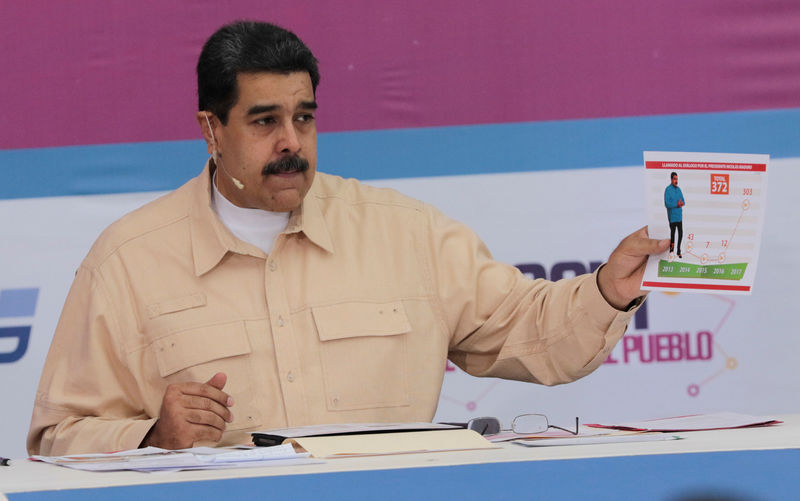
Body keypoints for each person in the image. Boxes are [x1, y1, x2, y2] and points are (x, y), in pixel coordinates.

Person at [28, 21, 669, 455]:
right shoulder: (128, 260)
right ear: (211, 128)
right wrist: (150, 438)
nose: (291, 142)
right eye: (264, 121)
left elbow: (530, 332)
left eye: (304, 118)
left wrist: (608, 292)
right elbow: (58, 436)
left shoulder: (405, 232)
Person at [664, 172, 686, 258]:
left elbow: (683, 201)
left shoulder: (679, 189)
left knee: (681, 234)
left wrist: (681, 203)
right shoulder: (668, 190)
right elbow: (667, 204)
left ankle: (678, 251)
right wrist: (676, 204)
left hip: (679, 217)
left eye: (677, 179)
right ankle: (671, 251)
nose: (676, 181)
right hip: (672, 217)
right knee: (672, 235)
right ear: (671, 179)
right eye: (674, 179)